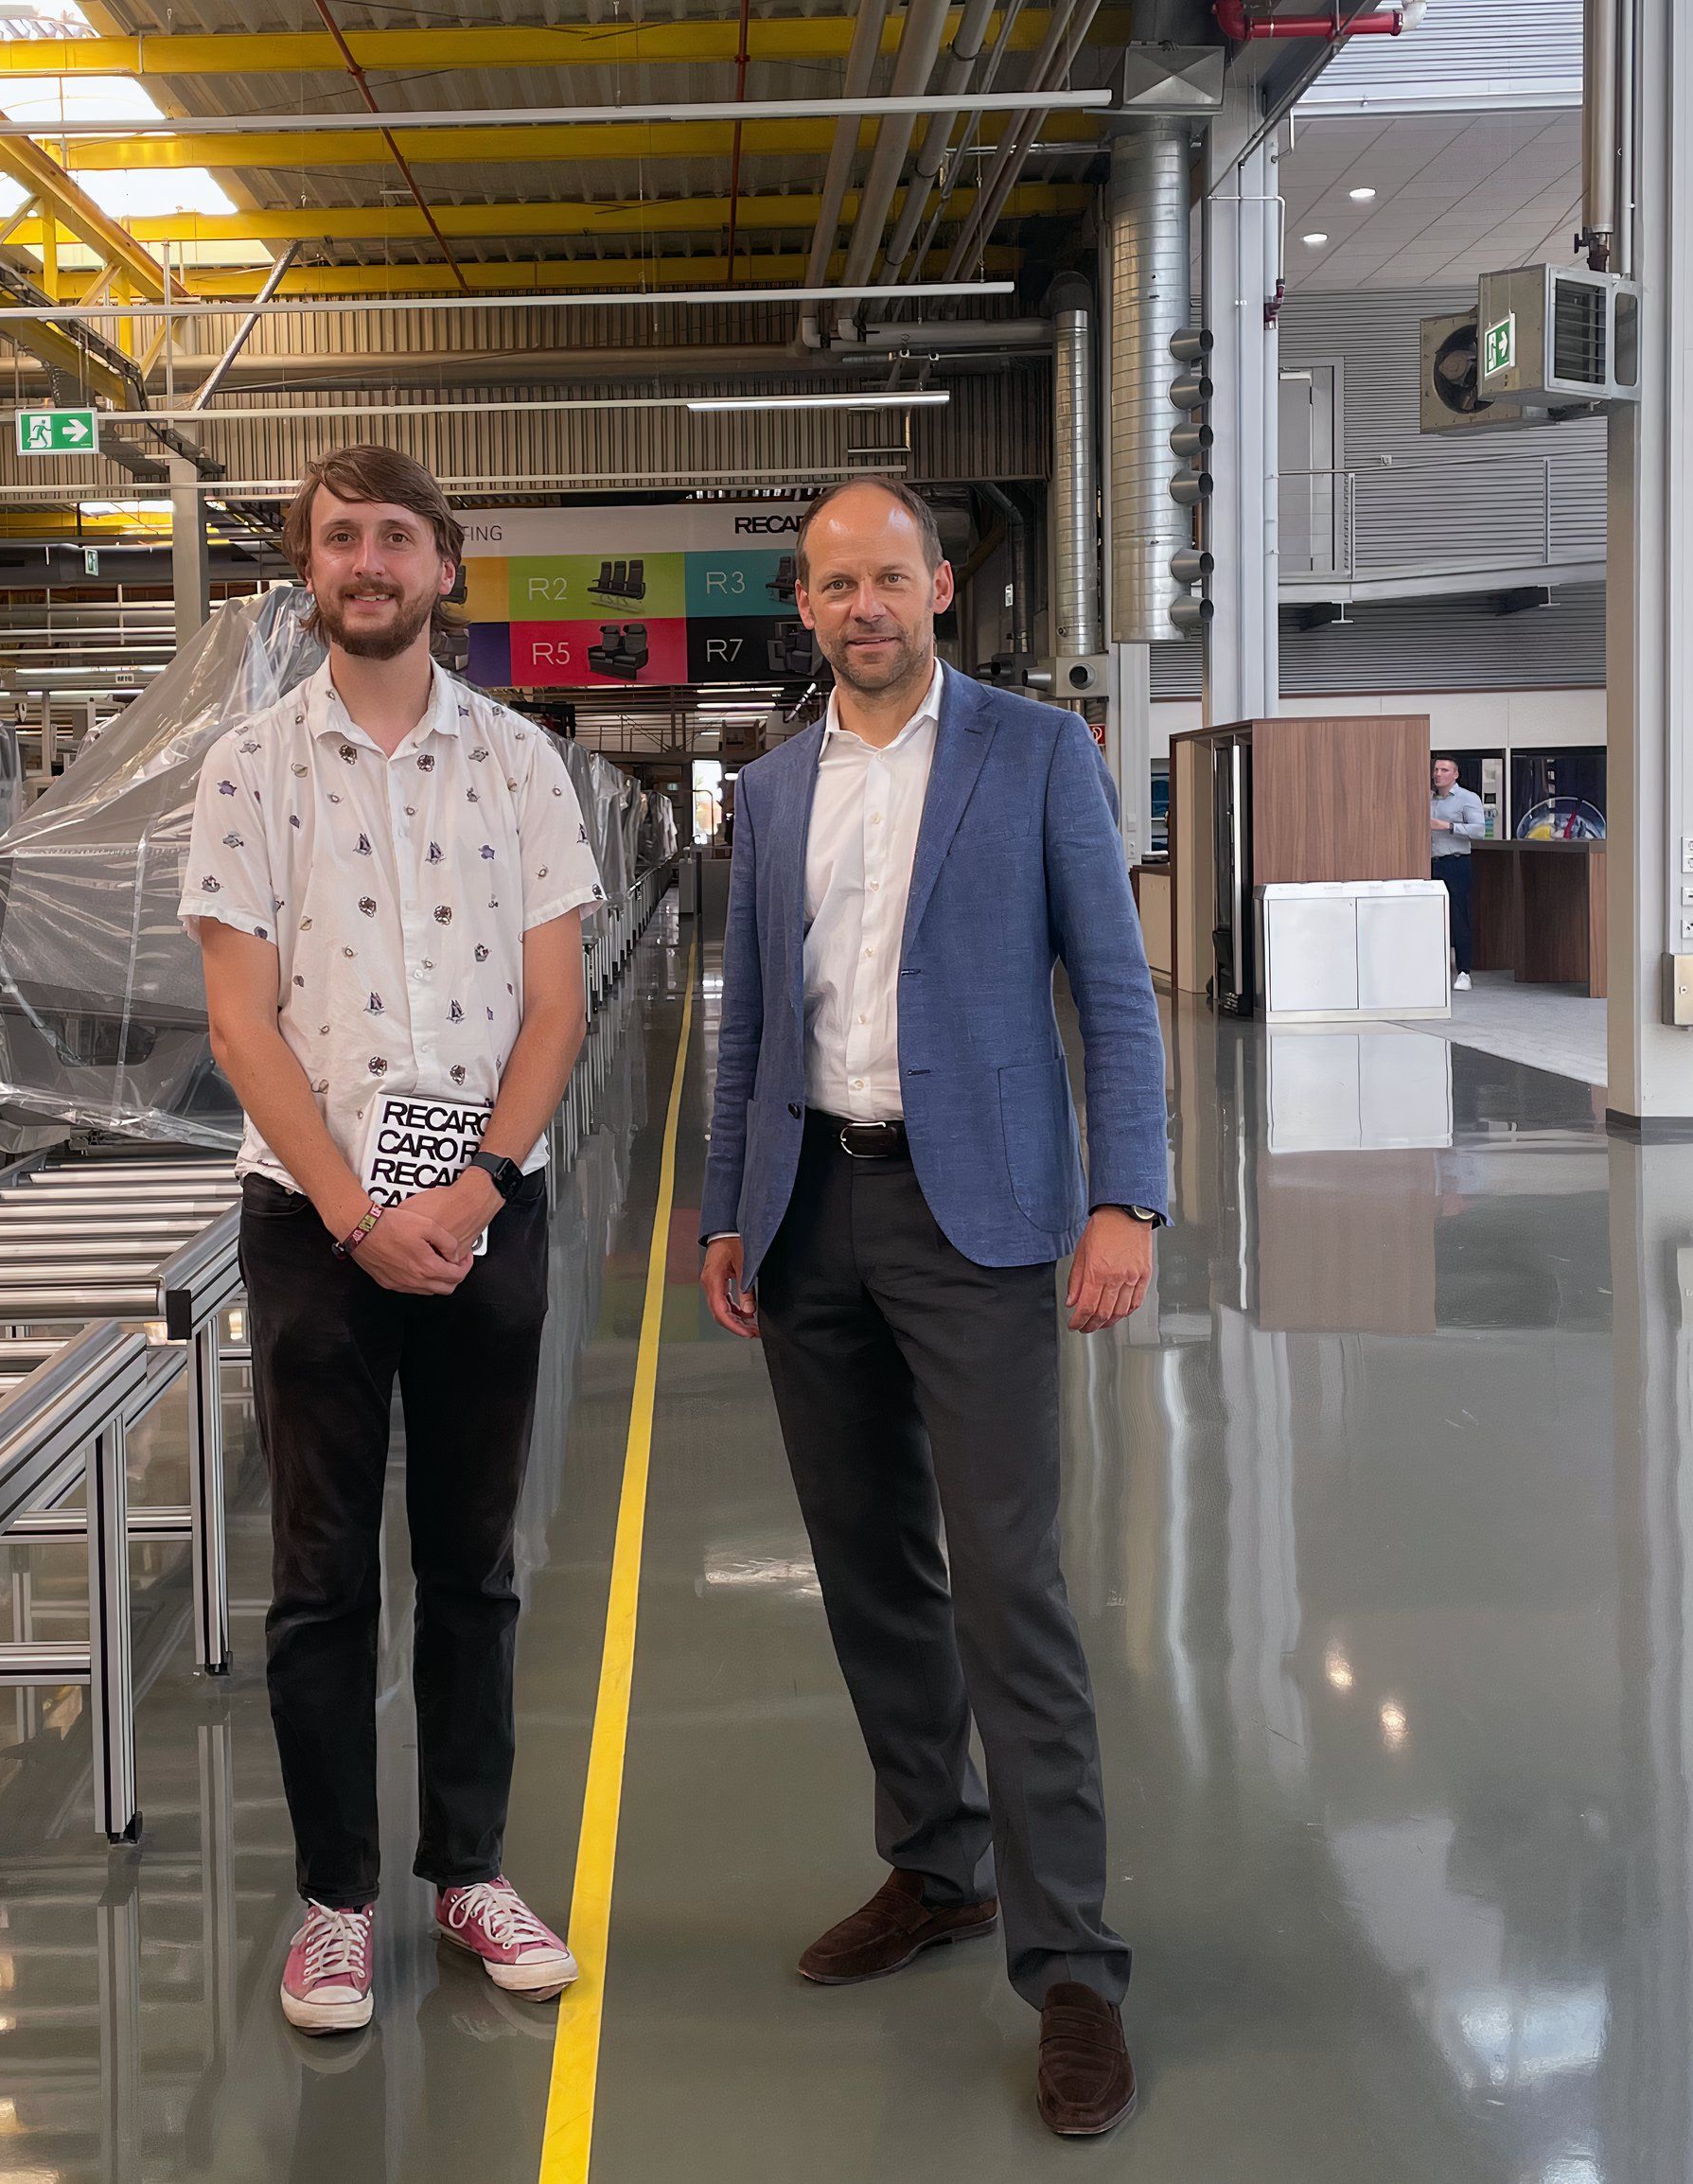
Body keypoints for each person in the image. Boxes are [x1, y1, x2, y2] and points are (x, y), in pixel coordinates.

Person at [696, 477, 1168, 2139]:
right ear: (807, 605)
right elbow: (743, 1016)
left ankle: (1074, 1965)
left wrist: (1127, 1196)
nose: (862, 604)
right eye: (833, 582)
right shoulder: (762, 796)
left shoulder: (1035, 757)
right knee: (870, 1571)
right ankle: (935, 1864)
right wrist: (722, 1211)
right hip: (811, 1207)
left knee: (1007, 1584)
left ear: (940, 586)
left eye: (887, 574)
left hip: (980, 1219)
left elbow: (1111, 988)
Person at [181, 444, 602, 2036]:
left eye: (397, 536)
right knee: (317, 1575)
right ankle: (336, 1899)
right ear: (309, 570)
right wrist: (358, 1216)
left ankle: (469, 1867)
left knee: (473, 1566)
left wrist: (477, 1185)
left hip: (489, 1201)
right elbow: (241, 1023)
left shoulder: (519, 765)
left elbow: (554, 1000)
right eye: (338, 537)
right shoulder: (246, 770)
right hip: (314, 1225)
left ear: (445, 564)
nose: (367, 560)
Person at [1430, 757, 1489, 989]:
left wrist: (1447, 826)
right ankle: (1434, 968)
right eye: (1436, 769)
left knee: (1459, 916)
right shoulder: (1427, 798)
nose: (1438, 774)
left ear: (1455, 774)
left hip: (1456, 862)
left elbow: (1479, 831)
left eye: (1444, 770)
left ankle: (1464, 972)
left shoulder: (1467, 798)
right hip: (1431, 863)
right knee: (1432, 918)